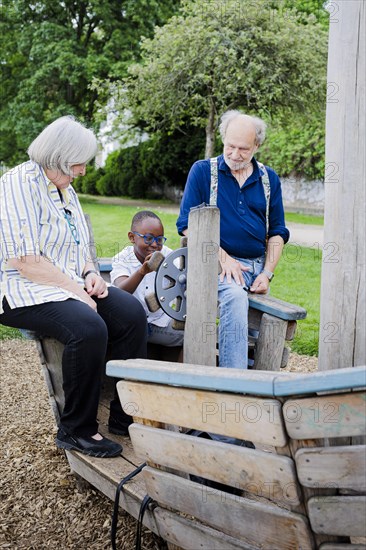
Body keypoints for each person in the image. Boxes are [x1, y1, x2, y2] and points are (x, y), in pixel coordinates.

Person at [0, 116, 147, 458]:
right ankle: (76, 430)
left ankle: (124, 417)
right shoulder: (18, 184)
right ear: (58, 156)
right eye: (79, 163)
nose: (82, 171)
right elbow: (25, 260)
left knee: (131, 313)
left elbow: (79, 244)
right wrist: (78, 291)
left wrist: (91, 272)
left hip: (62, 282)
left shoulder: (65, 188)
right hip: (23, 288)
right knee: (88, 327)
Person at [176, 110, 289, 369]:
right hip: (212, 266)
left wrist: (267, 273)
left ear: (257, 146)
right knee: (235, 298)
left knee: (264, 318)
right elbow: (186, 226)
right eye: (230, 146)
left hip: (255, 267)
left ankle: (257, 375)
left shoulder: (268, 179)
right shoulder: (204, 172)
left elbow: (278, 231)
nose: (235, 155)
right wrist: (223, 258)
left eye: (244, 149)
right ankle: (234, 381)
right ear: (223, 139)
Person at [110, 211, 184, 348]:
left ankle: (180, 370)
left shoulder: (167, 255)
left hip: (160, 320)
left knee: (194, 333)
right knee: (192, 337)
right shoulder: (122, 259)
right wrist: (141, 272)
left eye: (160, 239)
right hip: (134, 324)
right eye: (148, 238)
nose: (155, 245)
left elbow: (185, 271)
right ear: (132, 237)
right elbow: (121, 292)